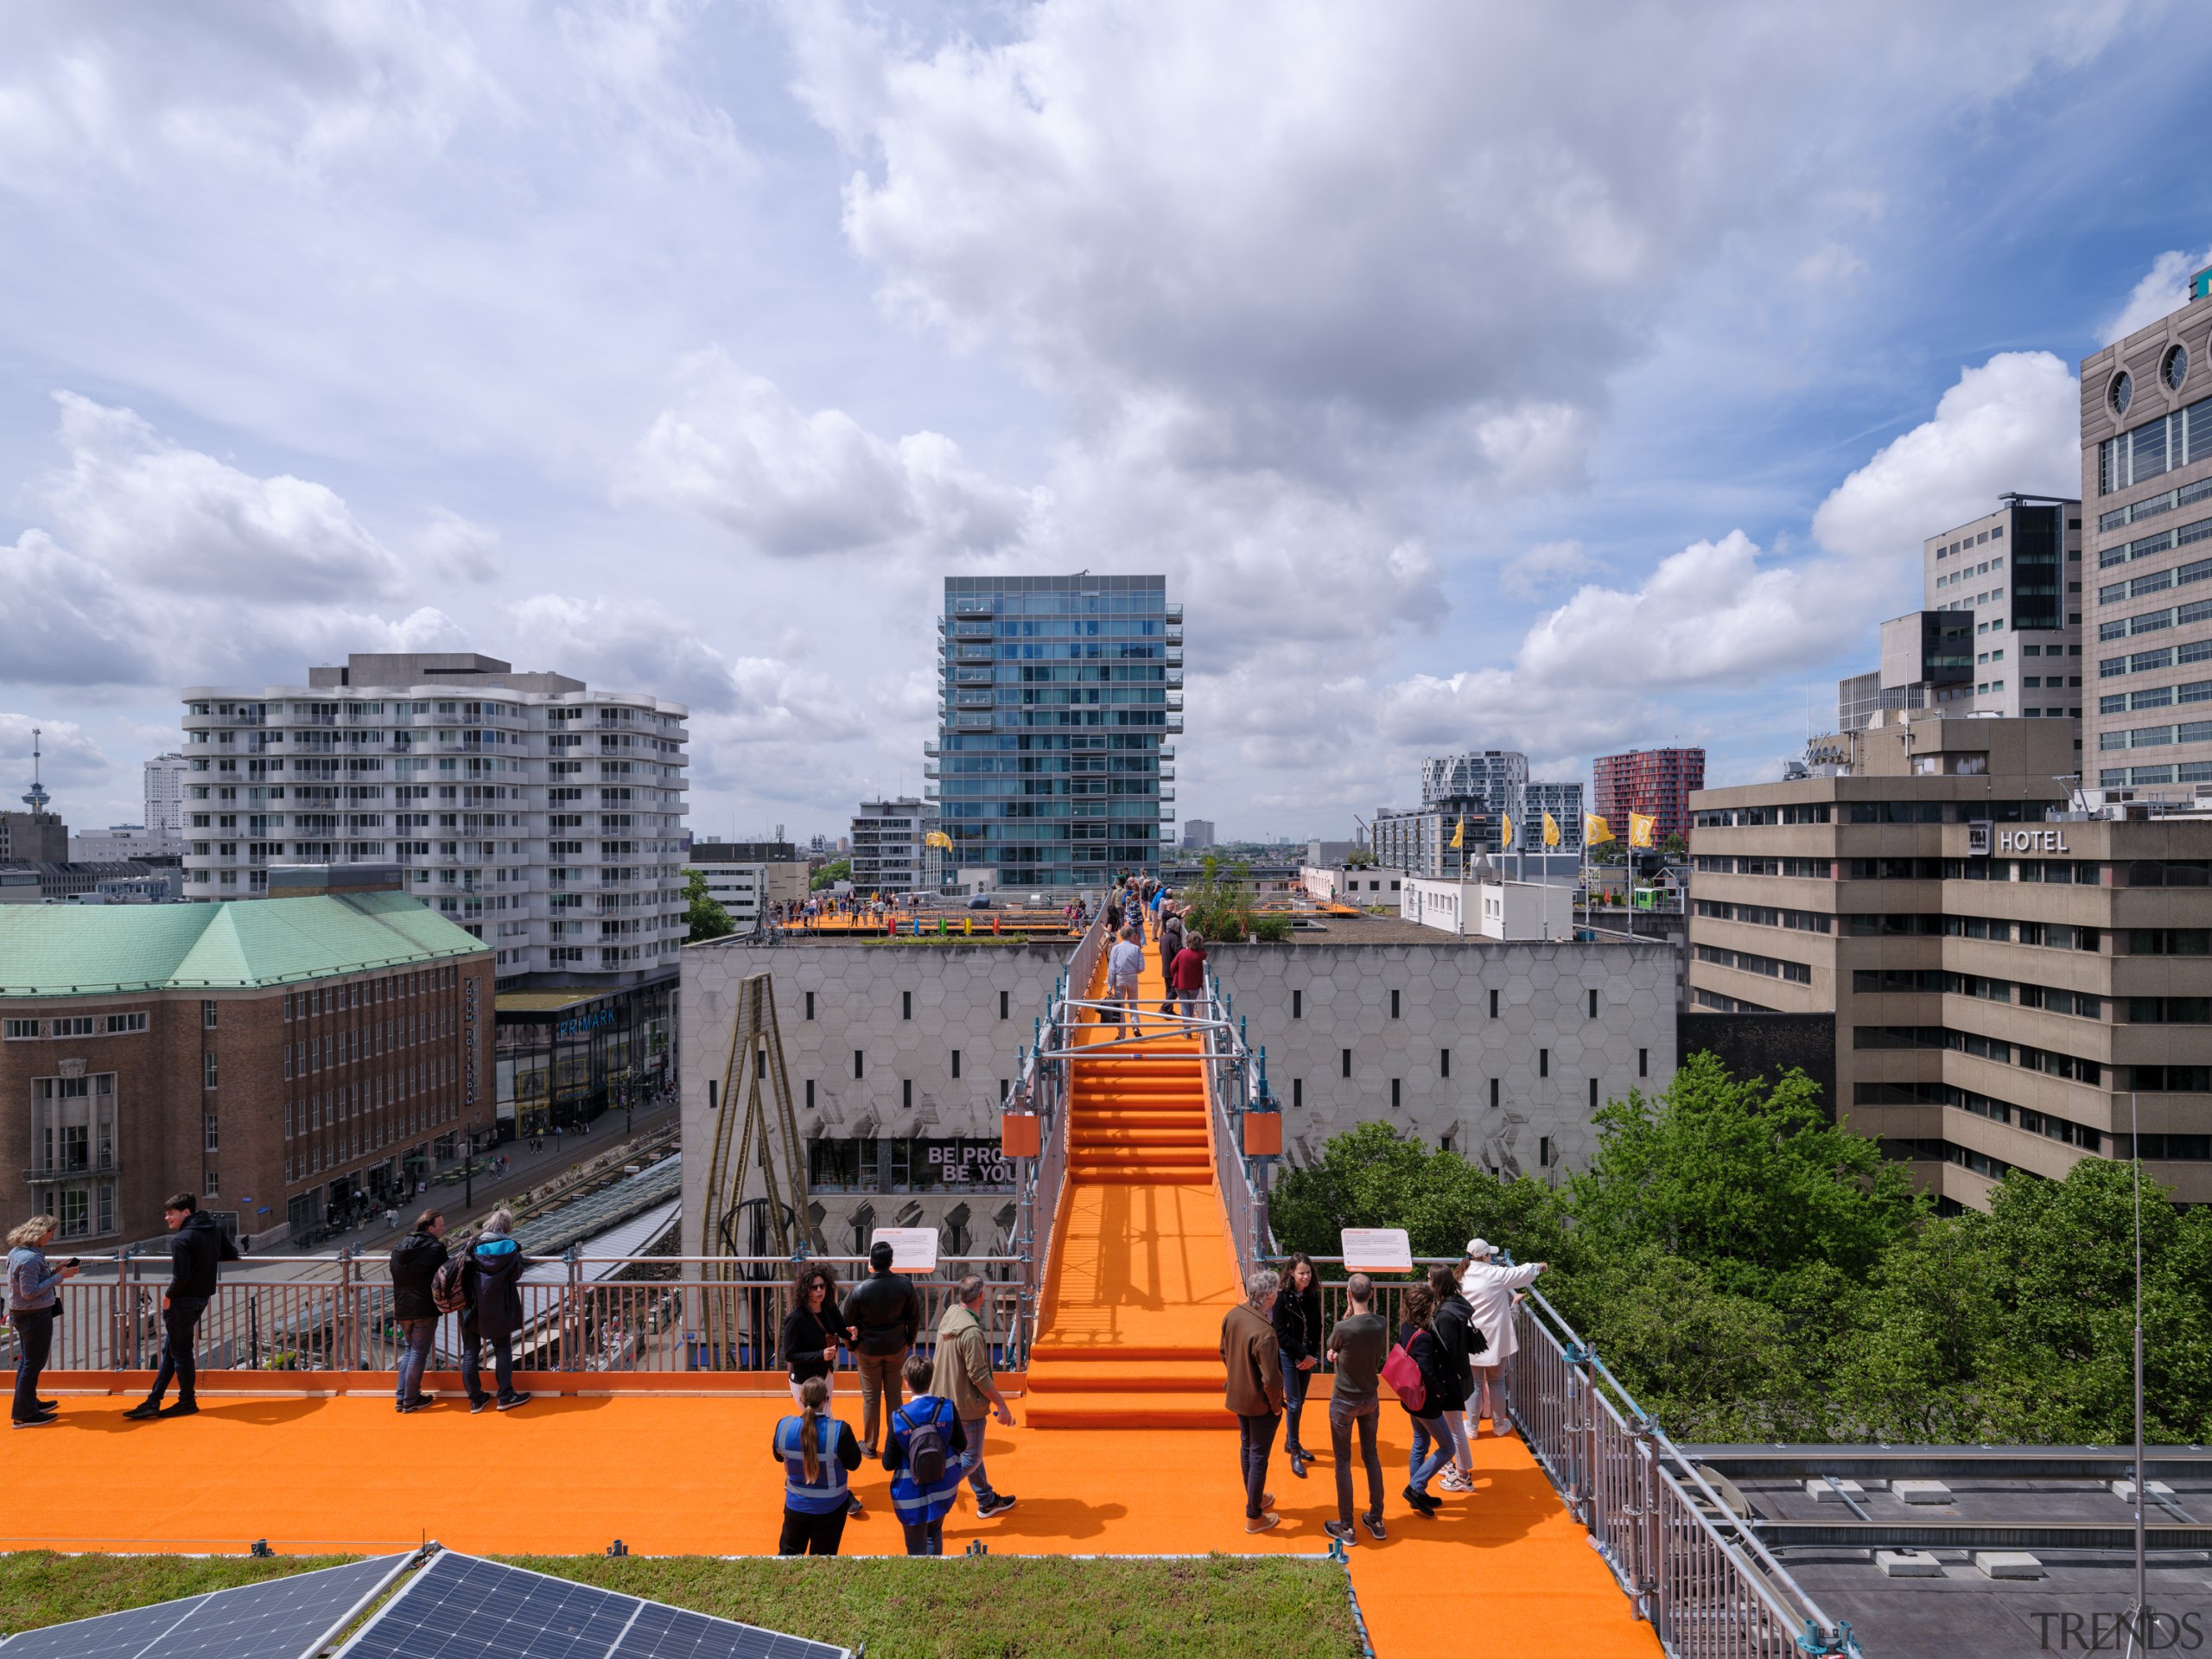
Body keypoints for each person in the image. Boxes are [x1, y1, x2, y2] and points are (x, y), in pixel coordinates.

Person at [124, 1192, 236, 1421]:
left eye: (170, 1214)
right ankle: (153, 1401)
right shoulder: (212, 1228)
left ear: (186, 1212)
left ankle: (186, 1401)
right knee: (171, 1350)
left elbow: (181, 1276)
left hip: (182, 1302)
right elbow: (231, 1253)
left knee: (181, 1352)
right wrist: (205, 1259)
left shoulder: (181, 1240)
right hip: (201, 1299)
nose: (167, 1219)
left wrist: (168, 1297)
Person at [931, 1274, 1018, 1519]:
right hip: (967, 1406)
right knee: (972, 1458)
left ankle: (986, 1499)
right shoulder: (971, 1331)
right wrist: (1001, 1404)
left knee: (968, 1453)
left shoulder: (951, 1314)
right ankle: (935, 1490)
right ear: (981, 1297)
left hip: (944, 1400)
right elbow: (978, 1375)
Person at [1322, 1272, 1388, 1544]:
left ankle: (1347, 1527)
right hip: (1370, 1398)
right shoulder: (1381, 1323)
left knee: (1343, 1462)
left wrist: (1334, 1353)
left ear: (1349, 1294)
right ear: (1371, 1294)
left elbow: (1332, 1349)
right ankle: (1376, 1518)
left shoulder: (1342, 1327)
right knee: (1371, 1455)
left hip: (1344, 1401)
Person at [1220, 1267, 1286, 1533]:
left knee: (1247, 1447)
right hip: (1260, 1404)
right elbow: (1271, 1379)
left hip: (1237, 1395)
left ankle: (1255, 1497)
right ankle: (1254, 1515)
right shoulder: (1265, 1332)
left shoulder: (1233, 1315)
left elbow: (1224, 1351)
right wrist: (1276, 1406)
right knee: (1258, 1455)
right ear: (1269, 1298)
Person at [841, 1240, 920, 1457]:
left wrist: (852, 1346)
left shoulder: (859, 1290)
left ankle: (870, 1445)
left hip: (867, 1350)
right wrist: (909, 1340)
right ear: (891, 1262)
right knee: (894, 1396)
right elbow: (914, 1317)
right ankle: (895, 1445)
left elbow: (847, 1324)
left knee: (870, 1397)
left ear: (871, 1263)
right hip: (896, 1347)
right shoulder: (905, 1285)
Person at [1458, 1239, 1545, 1436]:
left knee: (1474, 1383)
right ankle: (1498, 1425)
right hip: (1494, 1339)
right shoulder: (1495, 1274)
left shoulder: (1460, 1276)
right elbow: (1521, 1273)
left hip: (1470, 1338)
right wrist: (1539, 1266)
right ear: (1485, 1256)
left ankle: (1471, 1427)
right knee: (1497, 1381)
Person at [884, 1351, 968, 1555]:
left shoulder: (898, 1417)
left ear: (906, 1382)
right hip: (943, 1487)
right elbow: (962, 1444)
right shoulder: (947, 1407)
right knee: (935, 1533)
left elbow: (888, 1463)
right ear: (931, 1379)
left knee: (915, 1547)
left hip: (909, 1494)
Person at [773, 1376, 863, 1555]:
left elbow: (778, 1457)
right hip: (831, 1509)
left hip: (795, 1507)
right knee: (823, 1563)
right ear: (826, 1399)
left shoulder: (784, 1426)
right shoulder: (840, 1430)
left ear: (800, 1398)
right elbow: (854, 1464)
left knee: (787, 1560)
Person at [7, 1215, 77, 1427]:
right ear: (40, 1234)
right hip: (33, 1314)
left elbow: (31, 1282)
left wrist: (55, 1270)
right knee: (33, 1363)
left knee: (29, 1362)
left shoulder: (20, 1253)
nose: (51, 1236)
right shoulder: (29, 1258)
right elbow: (29, 1292)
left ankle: (28, 1403)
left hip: (26, 1314)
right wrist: (60, 1277)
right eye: (50, 1232)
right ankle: (24, 1414)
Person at [1395, 1284, 1455, 1515]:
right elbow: (1428, 1375)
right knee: (1447, 1448)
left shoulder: (1406, 1327)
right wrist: (1441, 1392)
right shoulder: (1424, 1338)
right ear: (1427, 1307)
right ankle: (1415, 1487)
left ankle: (1417, 1494)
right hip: (1426, 1404)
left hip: (1411, 1399)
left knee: (1420, 1443)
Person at [462, 1209, 530, 1412]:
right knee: (503, 1348)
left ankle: (475, 1399)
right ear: (507, 1227)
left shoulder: (472, 1245)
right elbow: (516, 1274)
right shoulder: (511, 1248)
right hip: (499, 1305)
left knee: (470, 1351)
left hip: (471, 1305)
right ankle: (505, 1396)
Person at [388, 1210, 448, 1413]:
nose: (443, 1228)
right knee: (418, 1353)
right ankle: (411, 1399)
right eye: (440, 1225)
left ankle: (401, 1396)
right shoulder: (436, 1248)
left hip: (402, 1307)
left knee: (409, 1349)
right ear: (430, 1228)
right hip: (424, 1307)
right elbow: (445, 1275)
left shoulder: (399, 1247)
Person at [1428, 1264, 1479, 1491]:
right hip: (1459, 1374)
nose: (1427, 1281)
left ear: (1437, 1283)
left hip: (1451, 1379)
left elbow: (1444, 1350)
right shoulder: (1456, 1304)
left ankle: (1463, 1475)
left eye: (1429, 1278)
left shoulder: (1446, 1314)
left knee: (1455, 1427)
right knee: (1451, 1425)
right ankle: (1450, 1463)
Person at [1273, 1253, 1323, 1478]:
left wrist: (1310, 1355)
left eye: (1308, 1272)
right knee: (1293, 1403)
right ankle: (1294, 1450)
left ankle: (1290, 1442)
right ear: (1291, 1272)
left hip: (1306, 1356)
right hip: (1288, 1354)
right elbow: (1280, 1333)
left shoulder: (1311, 1295)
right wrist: (1302, 1355)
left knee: (1300, 1401)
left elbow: (1317, 1325)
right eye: (1301, 1272)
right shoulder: (1282, 1296)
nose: (1306, 1276)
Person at [1106, 926, 1145, 1031]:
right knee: (1133, 1004)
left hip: (1120, 978)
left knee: (1120, 1006)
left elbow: (1112, 969)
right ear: (1131, 936)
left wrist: (1110, 985)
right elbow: (1142, 967)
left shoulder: (1115, 949)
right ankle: (1136, 1026)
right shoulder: (1136, 949)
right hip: (1132, 977)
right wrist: (1134, 971)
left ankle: (1122, 1033)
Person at [1168, 931, 1207, 1020]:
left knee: (1184, 1006)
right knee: (1191, 1006)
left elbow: (1172, 967)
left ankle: (1187, 1030)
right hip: (1195, 985)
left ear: (1188, 942)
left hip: (1181, 984)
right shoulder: (1202, 955)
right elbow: (1204, 952)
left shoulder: (1182, 953)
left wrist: (1176, 976)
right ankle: (1190, 1024)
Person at [1156, 902, 1185, 1010]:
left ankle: (1168, 1010)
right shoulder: (1174, 938)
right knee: (1175, 989)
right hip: (1172, 968)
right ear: (1176, 927)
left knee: (1169, 990)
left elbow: (1160, 950)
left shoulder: (1164, 937)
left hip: (1165, 967)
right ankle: (1164, 1008)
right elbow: (1180, 951)